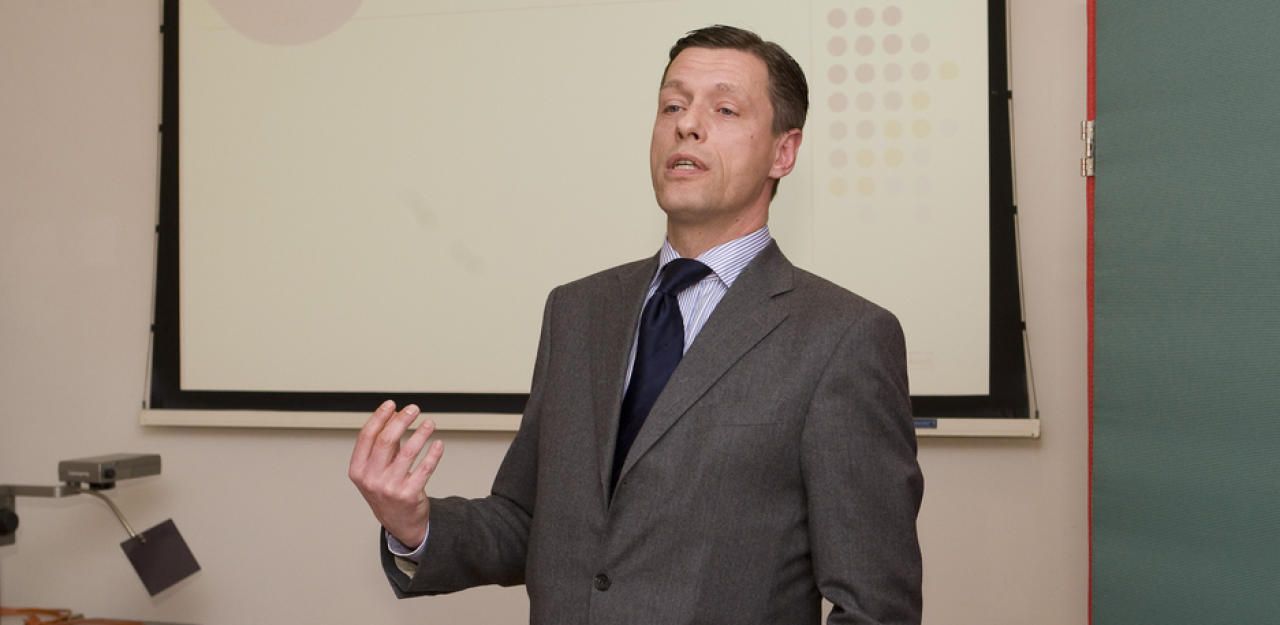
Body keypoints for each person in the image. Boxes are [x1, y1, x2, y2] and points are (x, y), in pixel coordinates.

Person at [349, 24, 923, 625]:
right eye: (672, 105)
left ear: (784, 151)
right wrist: (416, 524)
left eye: (724, 109)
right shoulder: (577, 312)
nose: (687, 125)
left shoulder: (843, 337)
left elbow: (875, 607)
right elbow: (529, 520)